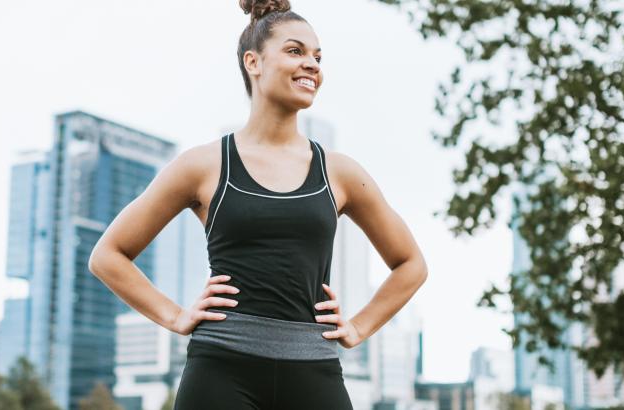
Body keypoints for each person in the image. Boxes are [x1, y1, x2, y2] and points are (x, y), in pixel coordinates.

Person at [88, 1, 428, 408]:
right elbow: (108, 255)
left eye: (318, 57)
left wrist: (358, 327)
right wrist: (175, 317)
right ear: (253, 62)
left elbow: (411, 264)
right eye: (295, 51)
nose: (313, 65)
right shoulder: (203, 165)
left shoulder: (339, 172)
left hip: (314, 371)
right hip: (220, 372)